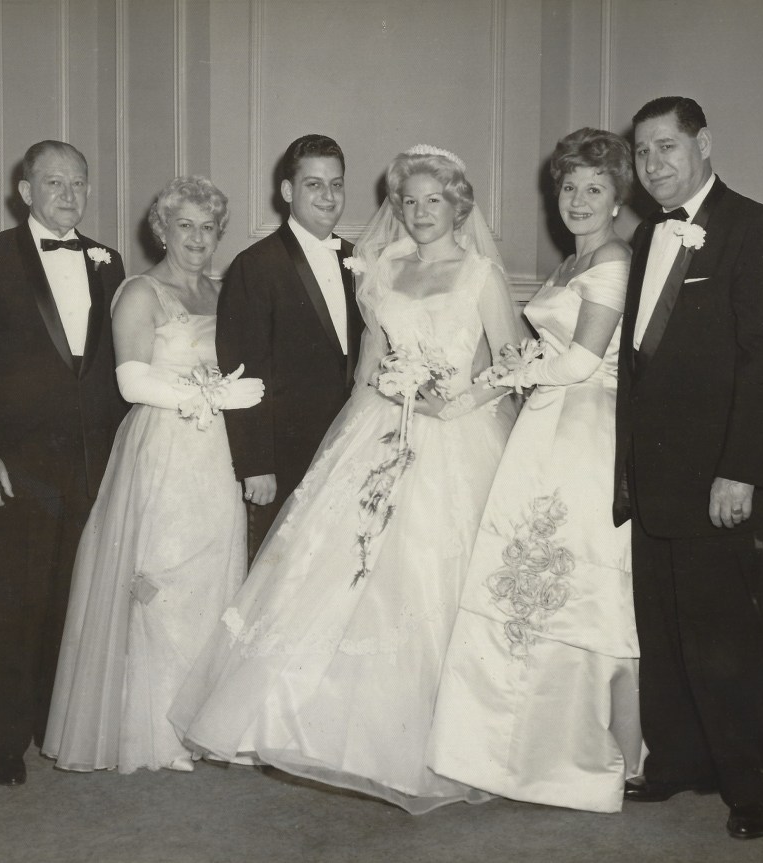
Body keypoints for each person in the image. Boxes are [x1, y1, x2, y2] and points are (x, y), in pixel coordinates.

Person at [168, 146, 524, 813]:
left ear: (459, 206)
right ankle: (345, 737)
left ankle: (442, 745)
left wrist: (456, 402)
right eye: (408, 201)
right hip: (378, 429)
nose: (419, 214)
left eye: (433, 201)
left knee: (429, 584)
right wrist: (356, 431)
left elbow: (508, 366)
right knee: (343, 578)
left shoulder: (481, 276)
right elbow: (369, 362)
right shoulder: (382, 268)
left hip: (456, 437)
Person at [428, 128, 643, 811]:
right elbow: (527, 358)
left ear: (617, 200)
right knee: (523, 575)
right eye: (569, 188)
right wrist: (459, 401)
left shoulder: (612, 260)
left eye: (595, 190)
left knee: (577, 580)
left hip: (586, 431)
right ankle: (510, 747)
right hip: (543, 427)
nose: (578, 201)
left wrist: (513, 374)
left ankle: (604, 752)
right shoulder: (565, 267)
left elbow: (580, 362)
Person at [613, 97, 763, 840]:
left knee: (731, 639)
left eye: (667, 147)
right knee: (664, 632)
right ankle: (679, 762)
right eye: (642, 152)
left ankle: (750, 784)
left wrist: (740, 471)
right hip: (656, 480)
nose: (653, 164)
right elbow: (639, 371)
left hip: (727, 480)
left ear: (704, 144)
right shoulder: (643, 239)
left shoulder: (758, 230)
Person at [42, 177, 264, 773]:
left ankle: (200, 720)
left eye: (207, 227)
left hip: (216, 452)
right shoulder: (141, 292)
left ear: (220, 232)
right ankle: (156, 730)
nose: (196, 238)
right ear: (161, 230)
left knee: (214, 572)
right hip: (166, 447)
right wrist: (219, 395)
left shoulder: (221, 293)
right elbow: (130, 382)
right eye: (183, 225)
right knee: (164, 576)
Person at [0, 141, 128, 786]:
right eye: (54, 183)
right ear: (26, 191)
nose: (69, 195)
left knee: (72, 603)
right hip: (15, 468)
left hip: (88, 465)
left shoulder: (108, 262)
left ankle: (59, 723)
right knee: (15, 604)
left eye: (79, 182)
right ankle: (7, 743)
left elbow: (107, 372)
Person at [215, 134, 365, 560]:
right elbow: (242, 371)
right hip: (284, 455)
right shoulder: (255, 265)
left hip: (348, 444)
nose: (328, 196)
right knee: (277, 569)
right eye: (313, 184)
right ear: (287, 191)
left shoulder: (359, 260)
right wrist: (256, 463)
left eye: (336, 184)